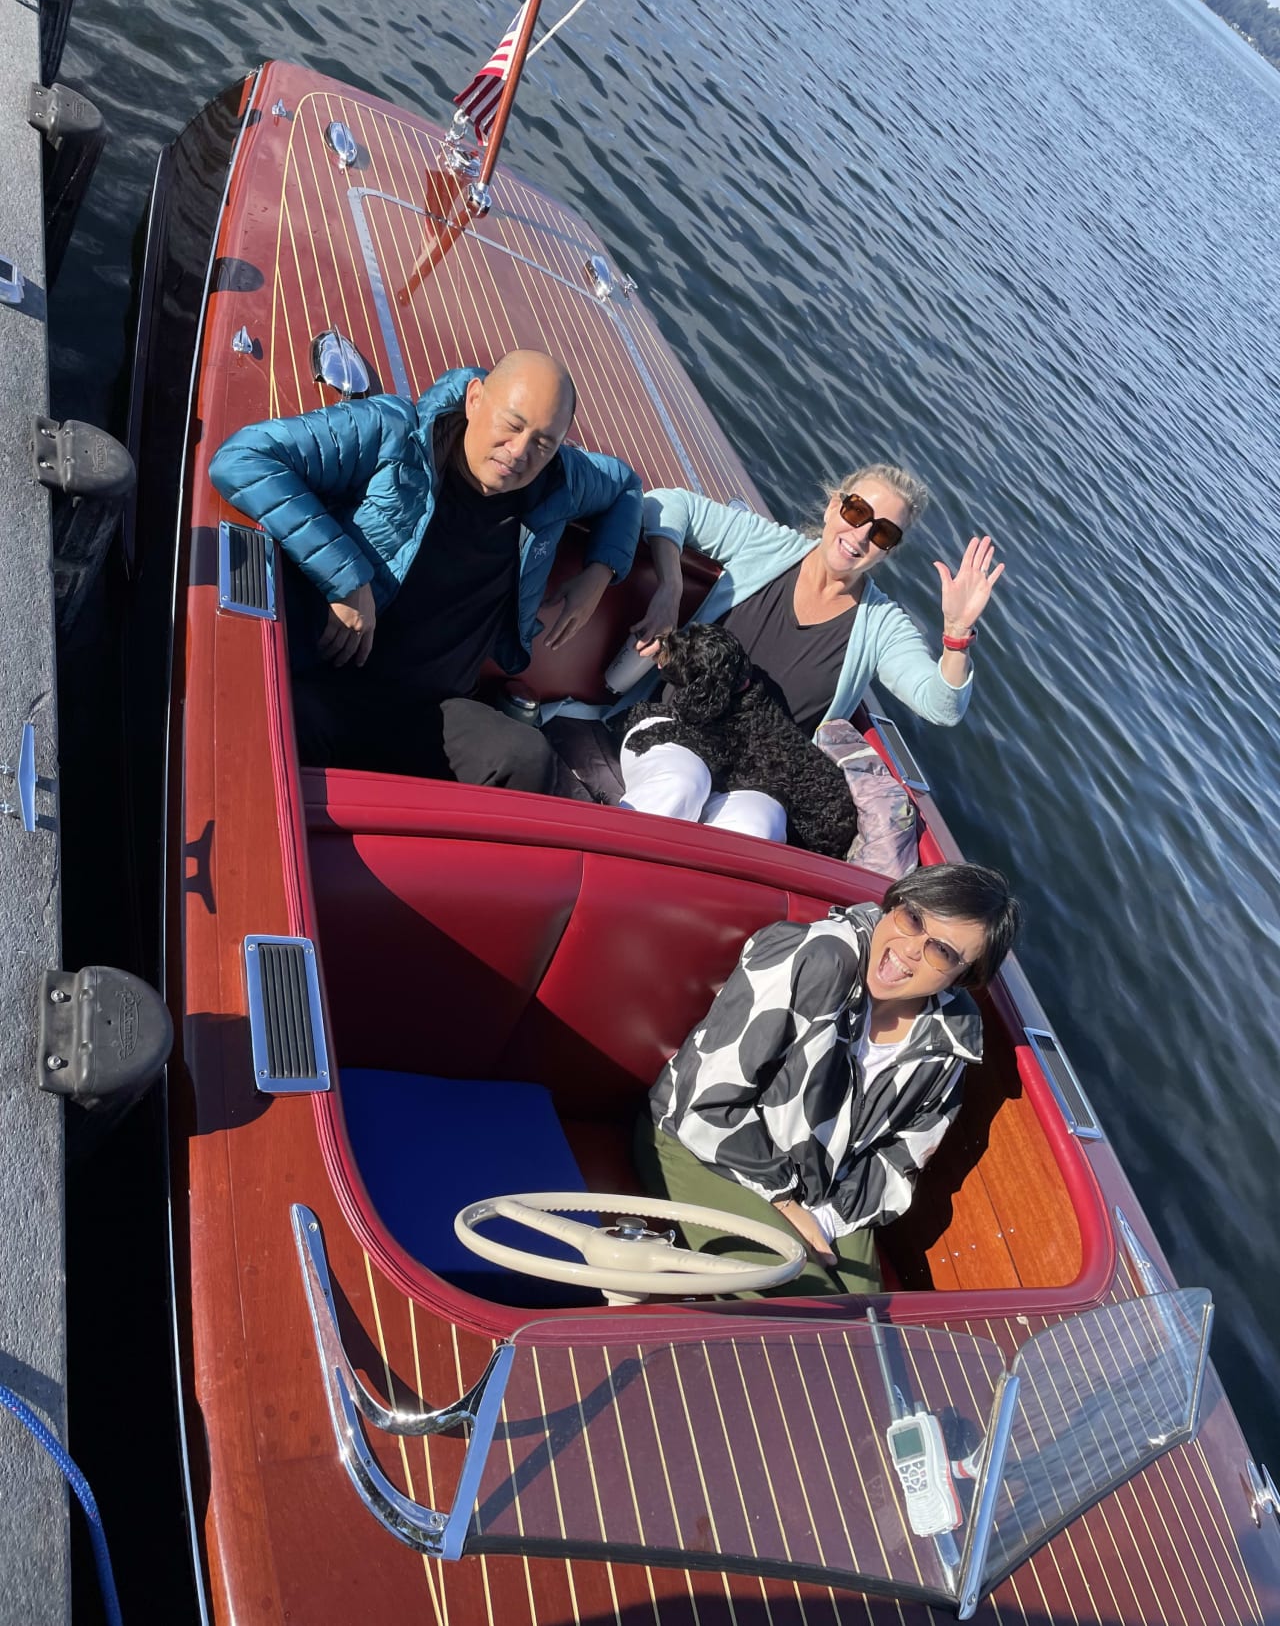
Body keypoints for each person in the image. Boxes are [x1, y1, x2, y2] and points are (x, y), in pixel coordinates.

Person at [209, 350, 643, 789]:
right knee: (266, 734)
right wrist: (346, 578)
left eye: (543, 443)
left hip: (436, 713)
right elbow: (243, 458)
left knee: (528, 757)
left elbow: (627, 486)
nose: (519, 452)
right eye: (512, 426)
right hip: (333, 685)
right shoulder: (393, 435)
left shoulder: (560, 482)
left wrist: (600, 573)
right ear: (475, 400)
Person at [634, 863, 1022, 1297]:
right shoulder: (815, 958)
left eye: (942, 951)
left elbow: (903, 1155)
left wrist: (828, 1218)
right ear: (895, 904)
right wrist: (784, 1201)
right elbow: (704, 1099)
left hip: (823, 1190)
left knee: (872, 1324)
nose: (911, 948)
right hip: (702, 1145)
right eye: (913, 918)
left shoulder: (949, 1035)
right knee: (811, 1321)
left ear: (963, 977)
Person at [616, 468, 1004, 839]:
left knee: (758, 827)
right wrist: (671, 588)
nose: (862, 534)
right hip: (677, 725)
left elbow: (942, 705)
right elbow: (666, 504)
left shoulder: (880, 624)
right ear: (834, 506)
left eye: (883, 532)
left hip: (760, 776)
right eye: (857, 511)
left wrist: (955, 633)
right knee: (684, 784)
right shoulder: (768, 545)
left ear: (888, 551)